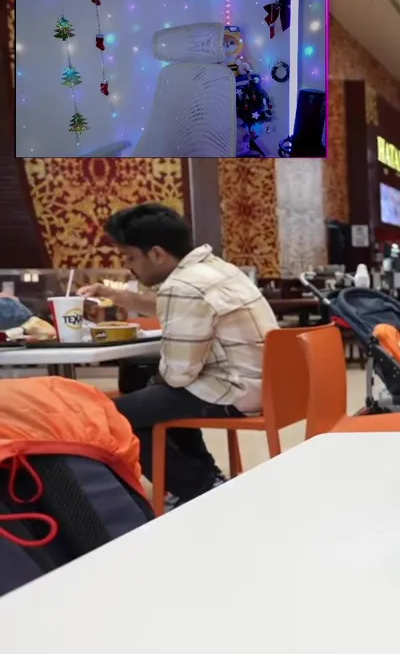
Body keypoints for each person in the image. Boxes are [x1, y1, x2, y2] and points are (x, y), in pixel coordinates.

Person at [79, 204, 279, 509]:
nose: (129, 267)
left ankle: (197, 486)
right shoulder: (215, 269)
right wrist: (118, 296)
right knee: (149, 391)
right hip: (263, 383)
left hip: (235, 390)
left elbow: (178, 375)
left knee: (113, 415)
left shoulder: (183, 286)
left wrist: (155, 382)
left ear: (157, 254)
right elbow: (170, 306)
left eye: (130, 257)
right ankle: (205, 478)